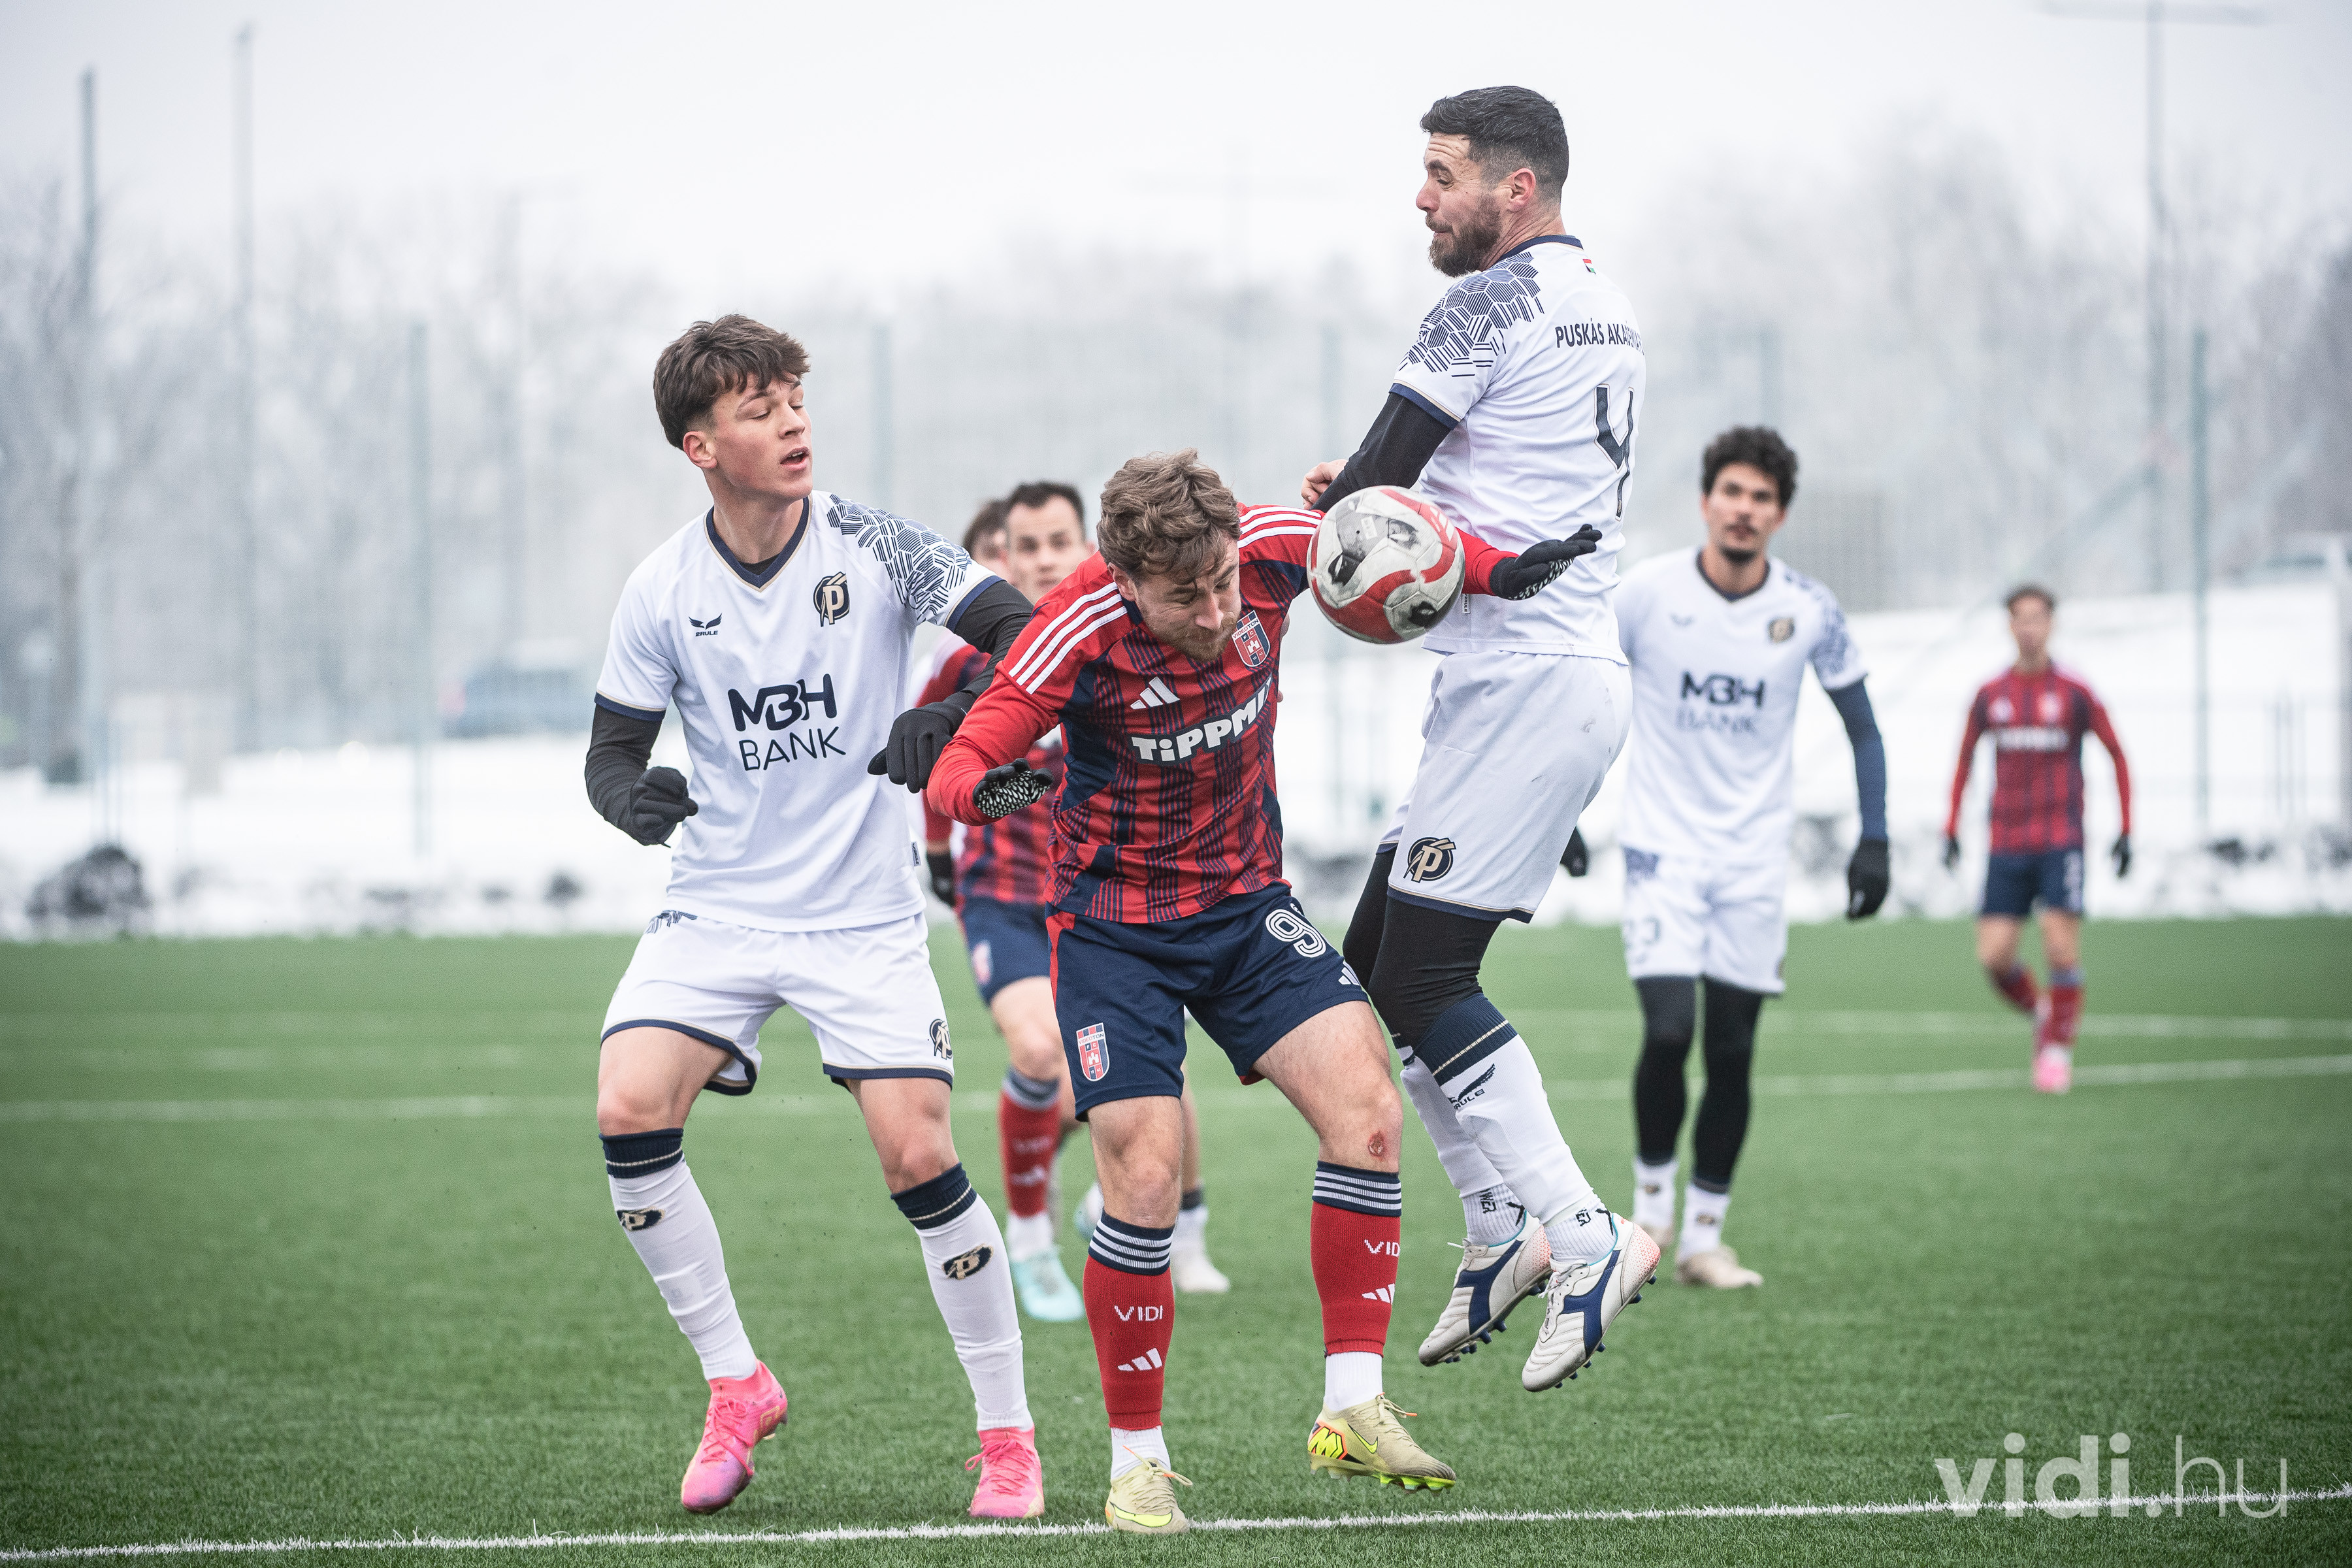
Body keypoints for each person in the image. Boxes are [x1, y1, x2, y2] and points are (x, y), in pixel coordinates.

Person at [926, 450, 1600, 1531]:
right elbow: (962, 766)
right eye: (1184, 597)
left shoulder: (1277, 549)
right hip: (1115, 936)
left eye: (1223, 582)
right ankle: (1137, 1463)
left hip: (1246, 909)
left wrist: (1497, 569)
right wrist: (988, 788)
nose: (1216, 610)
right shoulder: (1075, 627)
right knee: (1146, 1178)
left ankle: (1353, 1408)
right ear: (1126, 581)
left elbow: (1394, 539)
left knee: (1368, 1110)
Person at [581, 315, 1044, 1519]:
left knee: (918, 1154)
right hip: (717, 907)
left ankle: (1009, 1438)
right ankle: (736, 1383)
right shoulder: (661, 588)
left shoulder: (878, 544)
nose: (793, 424)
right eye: (759, 409)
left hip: (861, 917)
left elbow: (1024, 637)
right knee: (628, 1106)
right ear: (700, 446)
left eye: (796, 398)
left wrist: (955, 720)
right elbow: (611, 755)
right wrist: (634, 800)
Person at [1301, 85, 1658, 1390]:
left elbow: (1375, 483)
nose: (1423, 197)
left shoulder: (1485, 304)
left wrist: (1344, 513)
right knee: (1373, 967)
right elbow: (1460, 484)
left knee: (1426, 979)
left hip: (1528, 681)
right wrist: (1373, 506)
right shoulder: (1609, 304)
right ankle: (1501, 1222)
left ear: (1518, 189)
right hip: (1534, 677)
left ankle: (1586, 1234)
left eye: (1442, 174)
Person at [917, 483, 1234, 1321]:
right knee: (1039, 1053)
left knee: (1156, 1071)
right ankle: (1029, 1236)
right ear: (1003, 558)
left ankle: (1166, 1223)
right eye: (1027, 546)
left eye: (1061, 541)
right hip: (1005, 896)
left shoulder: (1121, 635)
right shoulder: (968, 658)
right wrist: (942, 854)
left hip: (1105, 898)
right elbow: (931, 759)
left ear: (1090, 550)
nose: (1046, 558)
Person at [1612, 427, 1889, 1288]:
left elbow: (1864, 728)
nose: (1744, 509)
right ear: (1706, 502)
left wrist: (1875, 836)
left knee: (1732, 1049)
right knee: (1670, 1031)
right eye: (1732, 492)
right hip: (1661, 849)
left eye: (1762, 498)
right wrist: (1562, 810)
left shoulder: (1809, 609)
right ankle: (1650, 1213)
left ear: (1780, 516)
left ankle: (1704, 1240)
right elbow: (1581, 691)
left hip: (1753, 862)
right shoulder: (1645, 595)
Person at [1943, 585, 2133, 1094]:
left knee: (2060, 947)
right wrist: (1951, 826)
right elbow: (1964, 760)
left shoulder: (2074, 692)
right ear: (2009, 626)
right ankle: (2045, 1013)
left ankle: (2055, 1051)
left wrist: (2126, 828)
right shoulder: (1991, 695)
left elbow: (2117, 754)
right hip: (2006, 842)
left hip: (2059, 840)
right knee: (1994, 957)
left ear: (2051, 624)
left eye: (2038, 618)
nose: (2029, 628)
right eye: (2020, 619)